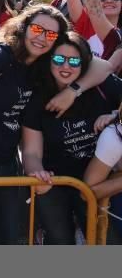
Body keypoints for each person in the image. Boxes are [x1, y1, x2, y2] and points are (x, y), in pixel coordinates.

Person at [0, 5, 113, 244]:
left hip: (7, 165)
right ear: (24, 27)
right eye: (37, 28)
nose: (41, 37)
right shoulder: (5, 53)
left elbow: (104, 66)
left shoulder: (43, 68)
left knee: (9, 238)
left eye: (50, 34)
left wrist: (73, 91)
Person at [21, 32, 122, 244]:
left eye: (74, 61)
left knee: (107, 242)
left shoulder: (102, 86)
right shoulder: (38, 96)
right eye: (59, 59)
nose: (65, 66)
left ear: (84, 62)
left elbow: (106, 67)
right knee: (60, 242)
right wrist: (36, 173)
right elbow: (31, 152)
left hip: (99, 181)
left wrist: (114, 115)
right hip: (56, 181)